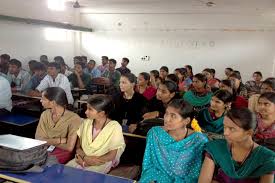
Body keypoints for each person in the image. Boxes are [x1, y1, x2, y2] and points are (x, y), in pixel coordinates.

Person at [198, 108, 275, 183]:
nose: (225, 133)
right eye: (225, 127)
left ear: (249, 133)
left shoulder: (267, 158)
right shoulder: (216, 148)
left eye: (232, 129)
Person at [139, 99, 208, 183]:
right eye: (166, 114)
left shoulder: (198, 141)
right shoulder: (155, 134)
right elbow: (149, 164)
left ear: (186, 121)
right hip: (156, 178)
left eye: (173, 116)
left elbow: (194, 173)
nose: (167, 119)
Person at [66, 95, 125, 173]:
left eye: (90, 109)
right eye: (87, 108)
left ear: (101, 113)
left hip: (102, 161)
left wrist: (90, 162)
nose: (86, 112)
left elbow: (111, 155)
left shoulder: (114, 127)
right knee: (65, 173)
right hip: (82, 158)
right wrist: (85, 158)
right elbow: (78, 148)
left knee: (89, 178)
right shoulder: (86, 123)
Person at [35, 87, 81, 163]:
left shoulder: (74, 119)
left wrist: (48, 141)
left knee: (45, 162)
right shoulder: (45, 114)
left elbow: (69, 148)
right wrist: (60, 140)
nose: (40, 100)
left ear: (53, 103)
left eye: (43, 99)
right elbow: (38, 139)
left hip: (63, 153)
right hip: (45, 149)